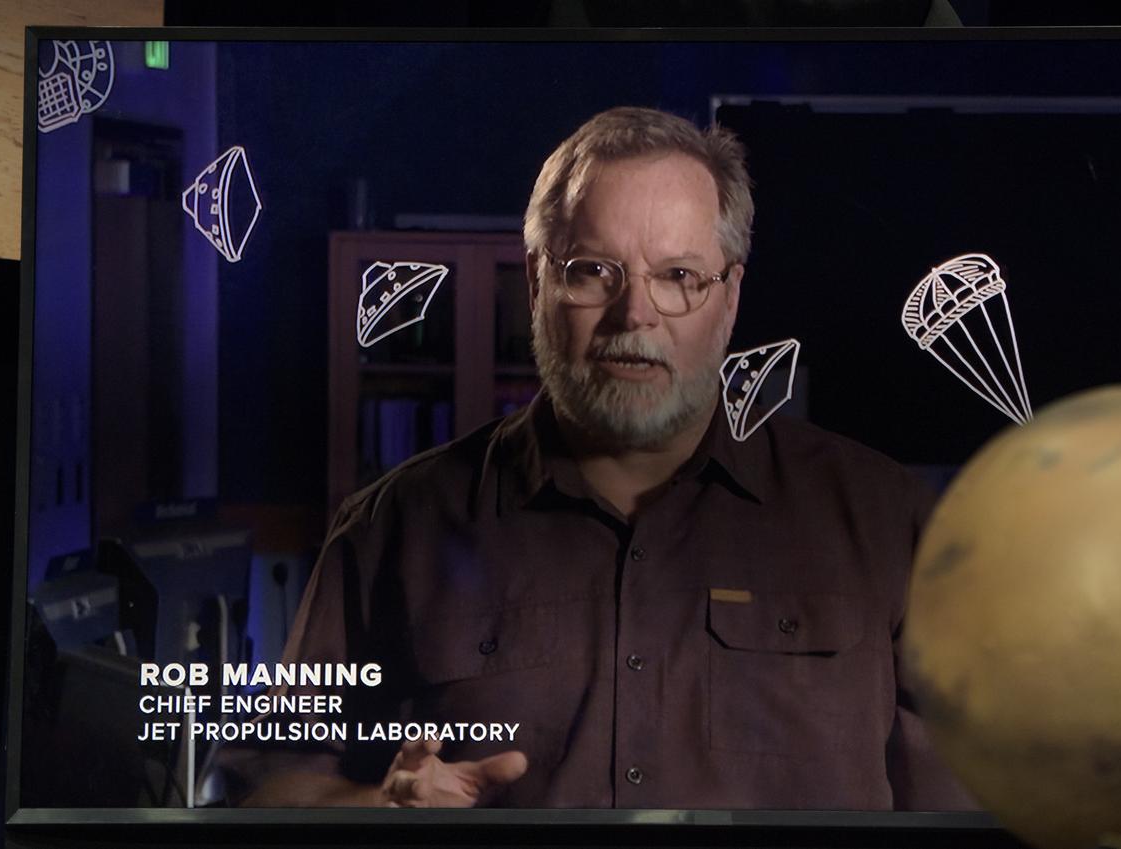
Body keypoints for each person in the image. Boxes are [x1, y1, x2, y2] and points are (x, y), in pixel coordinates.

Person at [232, 106, 974, 810]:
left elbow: (970, 810)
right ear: (536, 282)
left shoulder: (886, 520)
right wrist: (378, 808)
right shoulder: (392, 529)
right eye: (594, 271)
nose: (635, 315)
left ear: (731, 297)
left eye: (679, 276)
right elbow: (269, 791)